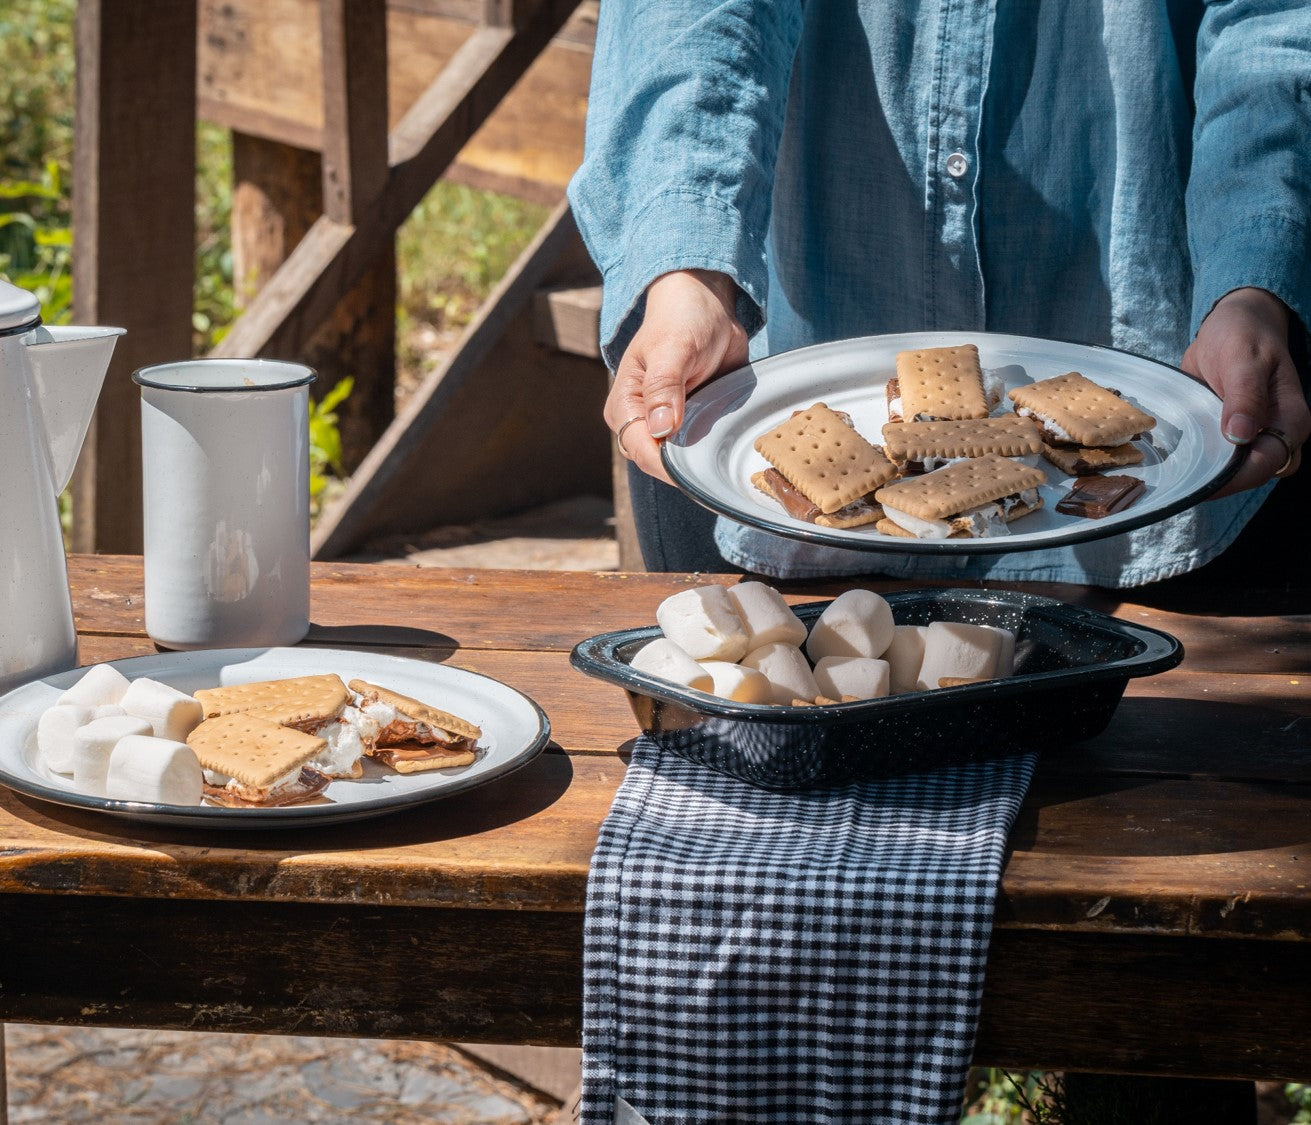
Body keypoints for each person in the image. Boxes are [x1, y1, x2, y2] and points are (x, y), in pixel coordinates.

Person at [567, 1, 1311, 584]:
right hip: (744, 393)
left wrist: (1249, 279)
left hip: (1186, 426)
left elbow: (1274, 27)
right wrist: (691, 271)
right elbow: (691, 19)